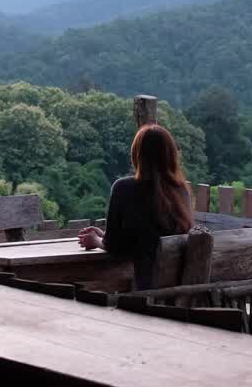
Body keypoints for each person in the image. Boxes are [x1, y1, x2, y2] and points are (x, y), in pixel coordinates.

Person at [78, 123, 194, 290]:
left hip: (147, 292)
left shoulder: (123, 188)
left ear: (137, 154)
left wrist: (96, 241)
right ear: (170, 155)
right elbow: (148, 238)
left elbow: (115, 247)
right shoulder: (181, 191)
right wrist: (104, 235)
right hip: (177, 288)